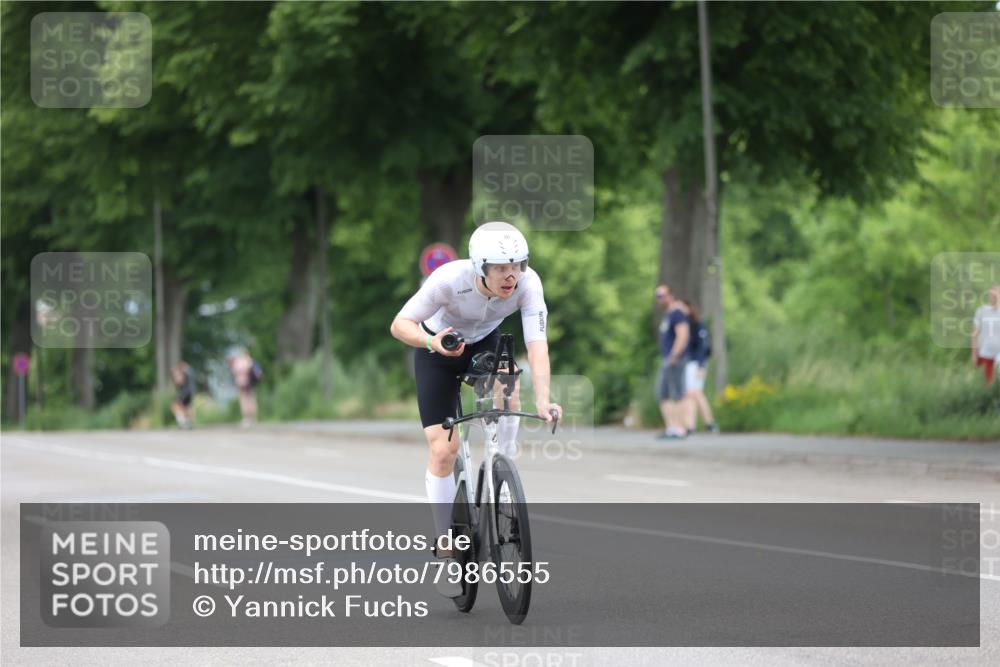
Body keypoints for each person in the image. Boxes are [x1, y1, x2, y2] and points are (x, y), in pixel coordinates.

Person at [390, 221, 561, 598]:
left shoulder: (528, 284)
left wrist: (545, 398)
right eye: (501, 268)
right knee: (442, 450)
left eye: (517, 265)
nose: (510, 276)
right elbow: (399, 324)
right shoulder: (448, 280)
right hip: (439, 348)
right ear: (480, 267)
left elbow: (537, 343)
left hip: (485, 342)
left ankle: (503, 470)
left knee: (509, 382)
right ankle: (447, 545)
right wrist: (431, 341)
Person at [654, 284, 689, 439]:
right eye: (657, 296)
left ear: (671, 295)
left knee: (677, 393)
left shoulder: (677, 313)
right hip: (668, 358)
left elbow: (683, 335)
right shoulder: (668, 314)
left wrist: (674, 355)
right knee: (663, 394)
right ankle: (672, 427)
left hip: (675, 359)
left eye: (662, 295)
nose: (659, 299)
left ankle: (680, 428)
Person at [680, 300, 718, 434]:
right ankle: (690, 425)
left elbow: (702, 347)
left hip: (696, 363)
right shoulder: (684, 325)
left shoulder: (698, 324)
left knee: (696, 393)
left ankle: (709, 422)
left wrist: (701, 366)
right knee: (689, 394)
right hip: (687, 363)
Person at [972, 284, 1000, 385]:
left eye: (996, 294)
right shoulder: (982, 311)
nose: (993, 297)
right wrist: (974, 354)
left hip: (998, 354)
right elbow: (975, 334)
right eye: (991, 295)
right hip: (985, 353)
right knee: (987, 383)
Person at [229, 348, 259, 427]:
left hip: (241, 383)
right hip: (250, 383)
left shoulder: (239, 361)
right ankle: (253, 418)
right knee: (252, 400)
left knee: (244, 400)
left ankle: (247, 418)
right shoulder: (250, 360)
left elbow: (234, 371)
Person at [171, 360, 195, 429]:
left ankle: (183, 423)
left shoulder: (183, 373)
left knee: (177, 406)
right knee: (186, 407)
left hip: (185, 392)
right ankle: (188, 422)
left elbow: (179, 380)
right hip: (188, 392)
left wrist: (175, 375)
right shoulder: (188, 373)